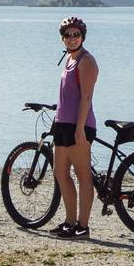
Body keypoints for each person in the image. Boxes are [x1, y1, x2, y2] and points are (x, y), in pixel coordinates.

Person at [50, 15, 98, 240]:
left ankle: (83, 226)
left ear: (82, 36)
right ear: (62, 38)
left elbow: (86, 97)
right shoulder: (69, 59)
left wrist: (80, 129)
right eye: (67, 35)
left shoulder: (86, 61)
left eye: (76, 34)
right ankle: (69, 222)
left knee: (82, 175)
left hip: (80, 125)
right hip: (63, 123)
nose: (72, 38)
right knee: (60, 172)